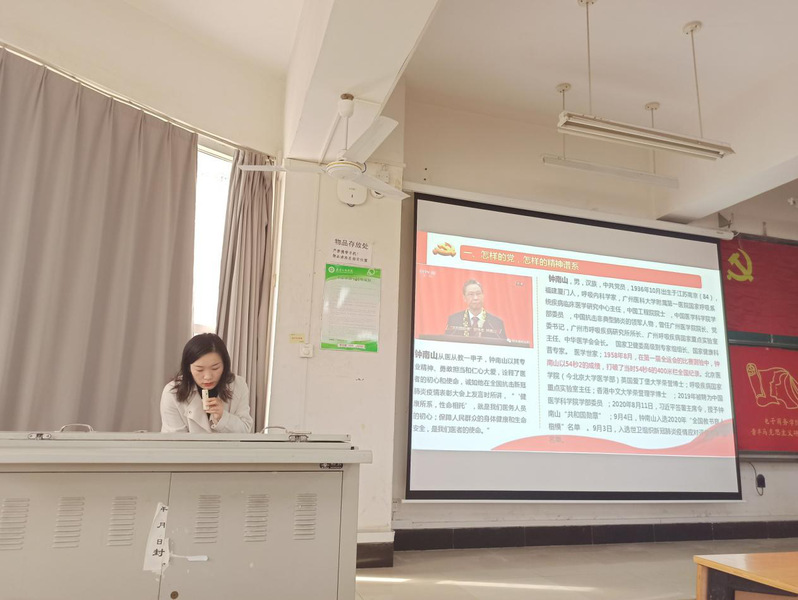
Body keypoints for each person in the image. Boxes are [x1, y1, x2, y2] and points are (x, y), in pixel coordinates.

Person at [160, 333, 254, 433]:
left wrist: (222, 417)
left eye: (215, 368)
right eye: (199, 370)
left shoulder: (238, 385)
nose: (208, 377)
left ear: (225, 365)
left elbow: (245, 430)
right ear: (188, 368)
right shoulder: (172, 392)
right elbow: (174, 439)